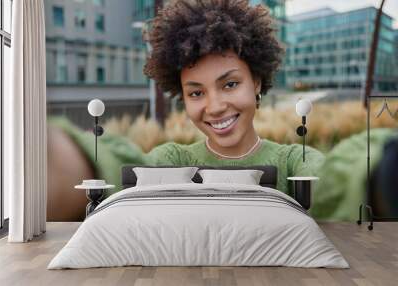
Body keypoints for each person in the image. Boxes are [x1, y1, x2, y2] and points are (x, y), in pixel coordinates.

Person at [48, 0, 324, 221]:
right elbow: (120, 168)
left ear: (257, 82)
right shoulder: (173, 158)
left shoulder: (294, 161)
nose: (214, 107)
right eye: (196, 92)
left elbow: (335, 183)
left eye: (229, 84)